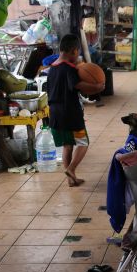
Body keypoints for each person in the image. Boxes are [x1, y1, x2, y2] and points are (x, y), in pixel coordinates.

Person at [47, 34, 104, 187]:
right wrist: (98, 87)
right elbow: (79, 85)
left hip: (55, 114)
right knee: (83, 142)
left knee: (67, 145)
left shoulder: (52, 68)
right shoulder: (69, 69)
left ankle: (71, 179)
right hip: (70, 114)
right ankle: (71, 169)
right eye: (77, 52)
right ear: (73, 51)